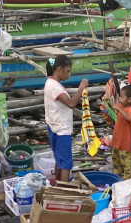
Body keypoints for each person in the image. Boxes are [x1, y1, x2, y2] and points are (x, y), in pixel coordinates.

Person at [44, 54, 88, 183]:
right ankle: (64, 190)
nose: (69, 75)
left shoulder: (51, 83)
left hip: (54, 127)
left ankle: (59, 188)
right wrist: (81, 87)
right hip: (61, 130)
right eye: (67, 71)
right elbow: (71, 103)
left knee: (60, 160)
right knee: (66, 164)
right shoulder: (54, 86)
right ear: (59, 69)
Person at [111, 85, 131, 180]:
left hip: (125, 144)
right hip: (116, 141)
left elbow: (129, 118)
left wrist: (119, 109)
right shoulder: (120, 106)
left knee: (127, 166)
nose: (119, 99)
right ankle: (116, 178)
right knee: (116, 162)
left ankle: (127, 182)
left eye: (122, 97)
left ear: (130, 99)